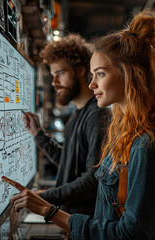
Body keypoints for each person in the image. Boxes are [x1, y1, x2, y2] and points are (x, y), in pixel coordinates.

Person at [11, 10, 155, 239]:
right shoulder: (123, 133)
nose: (91, 84)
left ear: (129, 75)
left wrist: (47, 208)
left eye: (100, 74)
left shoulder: (147, 144)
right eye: (92, 75)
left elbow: (132, 234)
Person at [22, 34, 110, 216]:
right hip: (75, 220)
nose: (54, 83)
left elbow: (93, 180)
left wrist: (46, 197)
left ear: (80, 69)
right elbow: (69, 162)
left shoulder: (97, 114)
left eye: (60, 74)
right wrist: (38, 134)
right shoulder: (77, 116)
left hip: (89, 223)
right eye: (53, 75)